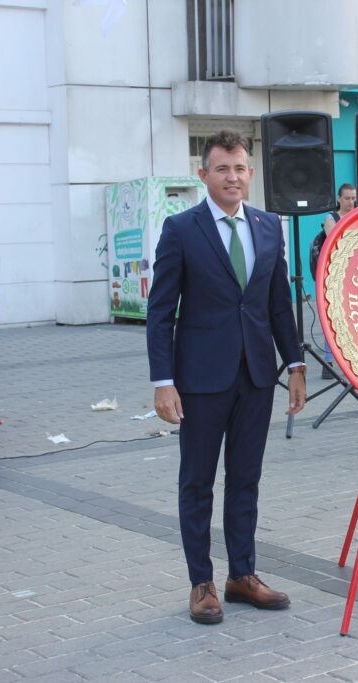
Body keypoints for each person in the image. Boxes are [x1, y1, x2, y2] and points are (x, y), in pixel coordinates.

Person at [146, 129, 308, 625]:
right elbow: (161, 312)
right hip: (199, 380)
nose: (232, 177)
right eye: (222, 169)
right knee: (197, 482)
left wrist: (295, 364)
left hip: (256, 376)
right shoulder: (181, 229)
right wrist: (163, 381)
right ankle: (202, 583)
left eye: (239, 168)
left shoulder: (268, 225)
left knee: (245, 479)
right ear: (204, 175)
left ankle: (242, 575)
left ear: (250, 173)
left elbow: (278, 303)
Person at [314, 184, 356, 377]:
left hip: (355, 272)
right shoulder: (331, 218)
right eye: (347, 198)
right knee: (333, 315)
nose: (350, 202)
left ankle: (354, 361)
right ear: (339, 199)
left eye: (353, 198)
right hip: (334, 273)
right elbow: (336, 241)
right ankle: (329, 361)